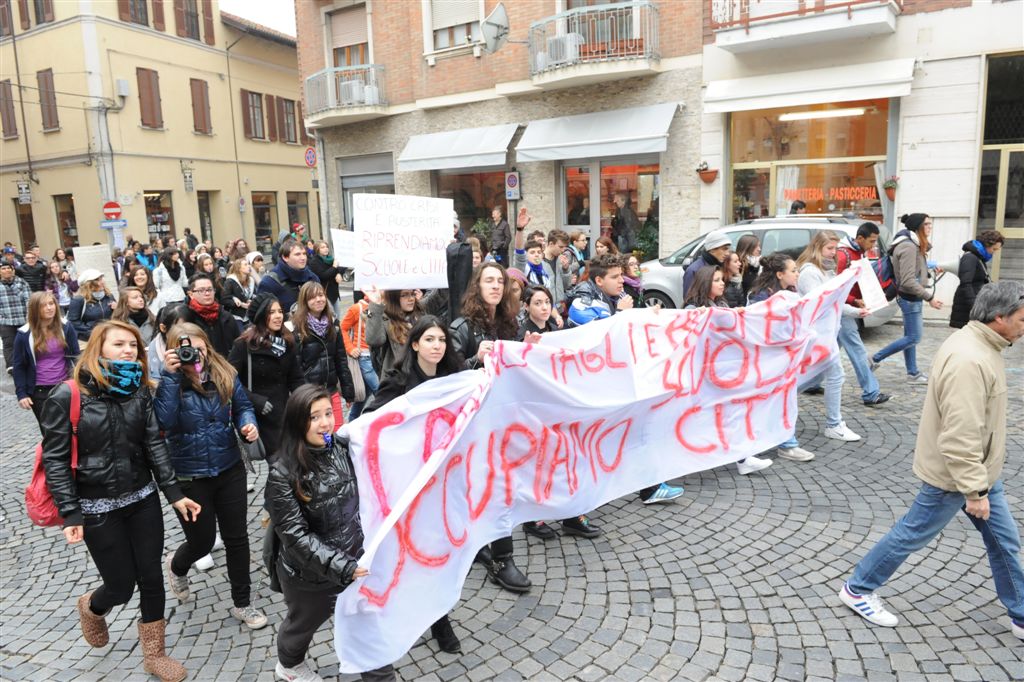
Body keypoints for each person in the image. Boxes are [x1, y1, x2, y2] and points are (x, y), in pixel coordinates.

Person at [839, 281, 1024, 639]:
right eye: (1021, 318)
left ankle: (1020, 613)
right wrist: (974, 491)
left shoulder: (982, 344)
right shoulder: (970, 359)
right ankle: (858, 589)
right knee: (911, 533)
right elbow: (960, 435)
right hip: (957, 477)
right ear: (999, 318)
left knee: (1005, 541)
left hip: (979, 472)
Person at [40, 320, 201, 682]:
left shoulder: (138, 390)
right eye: (120, 344)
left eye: (133, 345)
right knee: (120, 585)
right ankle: (92, 606)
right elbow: (55, 458)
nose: (129, 350)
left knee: (151, 576)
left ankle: (154, 655)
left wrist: (174, 494)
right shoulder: (67, 395)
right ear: (98, 348)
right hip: (96, 508)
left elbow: (153, 444)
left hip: (142, 499)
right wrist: (70, 512)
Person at [266, 385, 396, 682]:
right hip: (309, 577)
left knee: (369, 635)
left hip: (354, 564)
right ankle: (289, 664)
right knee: (302, 625)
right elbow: (296, 537)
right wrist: (342, 567)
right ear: (298, 422)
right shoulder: (282, 473)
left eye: (328, 413)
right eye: (315, 417)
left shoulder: (343, 447)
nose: (325, 423)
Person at [154, 322, 268, 631]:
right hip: (190, 475)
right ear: (174, 350)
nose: (195, 353)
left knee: (237, 538)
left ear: (207, 345)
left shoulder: (225, 373)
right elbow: (162, 422)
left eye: (199, 346)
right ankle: (176, 566)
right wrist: (169, 375)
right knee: (201, 543)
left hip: (229, 467)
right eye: (185, 347)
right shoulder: (169, 381)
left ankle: (242, 603)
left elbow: (243, 407)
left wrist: (247, 425)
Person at [362, 316, 465, 655]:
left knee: (436, 550)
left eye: (442, 340)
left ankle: (438, 617)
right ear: (416, 344)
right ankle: (400, 611)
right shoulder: (397, 379)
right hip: (406, 481)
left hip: (441, 480)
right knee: (406, 551)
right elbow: (375, 420)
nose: (438, 345)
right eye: (430, 339)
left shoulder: (454, 378)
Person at [566, 254, 686, 504]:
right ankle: (575, 501)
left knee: (636, 428)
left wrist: (647, 314)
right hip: (586, 384)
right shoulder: (582, 297)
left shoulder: (618, 296)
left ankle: (649, 487)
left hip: (609, 379)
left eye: (622, 275)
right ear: (599, 280)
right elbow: (588, 326)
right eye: (615, 277)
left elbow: (630, 321)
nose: (622, 281)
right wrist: (621, 315)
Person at [448, 258, 532, 592]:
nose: (496, 286)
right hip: (475, 424)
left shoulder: (512, 324)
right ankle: (501, 558)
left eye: (500, 281)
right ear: (477, 287)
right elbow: (447, 379)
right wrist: (473, 359)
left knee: (501, 488)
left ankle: (493, 550)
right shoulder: (461, 327)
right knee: (488, 488)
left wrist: (532, 351)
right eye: (489, 281)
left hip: (504, 420)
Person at [747, 253, 817, 463]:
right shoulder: (759, 296)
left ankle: (786, 442)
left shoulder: (790, 292)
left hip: (782, 358)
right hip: (764, 359)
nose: (797, 274)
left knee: (782, 398)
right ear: (780, 274)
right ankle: (776, 444)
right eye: (793, 270)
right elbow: (756, 326)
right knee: (766, 400)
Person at [796, 231, 864, 443]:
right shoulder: (810, 273)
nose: (834, 253)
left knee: (812, 378)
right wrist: (853, 311)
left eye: (835, 248)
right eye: (829, 248)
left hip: (823, 335)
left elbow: (832, 300)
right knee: (835, 375)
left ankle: (774, 396)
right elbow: (822, 303)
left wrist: (855, 310)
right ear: (817, 247)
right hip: (816, 336)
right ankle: (834, 424)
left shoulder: (825, 271)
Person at [228, 293, 304, 459]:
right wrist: (255, 401)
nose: (278, 316)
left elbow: (296, 378)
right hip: (262, 416)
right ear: (261, 316)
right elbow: (230, 381)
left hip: (285, 413)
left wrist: (306, 399)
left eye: (279, 311)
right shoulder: (243, 344)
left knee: (294, 461)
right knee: (279, 465)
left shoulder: (287, 342)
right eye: (271, 312)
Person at [871, 213, 944, 383]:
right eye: (927, 224)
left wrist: (930, 267)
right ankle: (874, 358)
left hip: (912, 297)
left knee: (910, 336)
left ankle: (913, 372)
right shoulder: (909, 247)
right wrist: (930, 298)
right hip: (910, 298)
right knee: (914, 337)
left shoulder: (914, 244)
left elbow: (915, 268)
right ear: (918, 226)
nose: (930, 227)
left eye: (930, 224)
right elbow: (908, 280)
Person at [835, 223, 891, 406]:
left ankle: (809, 382)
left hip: (847, 308)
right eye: (871, 241)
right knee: (857, 350)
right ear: (860, 238)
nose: (873, 245)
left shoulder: (857, 252)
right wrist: (853, 300)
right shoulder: (844, 255)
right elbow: (837, 286)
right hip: (844, 310)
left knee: (829, 351)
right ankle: (871, 392)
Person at [291, 281, 354, 431]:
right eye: (312, 297)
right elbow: (296, 367)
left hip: (331, 390)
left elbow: (341, 360)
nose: (318, 300)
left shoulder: (333, 324)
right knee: (319, 435)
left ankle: (334, 455)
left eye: (321, 295)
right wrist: (301, 394)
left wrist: (348, 391)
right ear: (305, 302)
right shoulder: (297, 328)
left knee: (336, 431)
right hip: (310, 394)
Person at [13, 291, 80, 424]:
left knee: (72, 428)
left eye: (51, 303)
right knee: (50, 433)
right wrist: (22, 394)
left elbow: (76, 356)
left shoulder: (66, 326)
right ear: (35, 309)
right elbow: (19, 366)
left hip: (65, 386)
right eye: (44, 305)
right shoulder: (24, 334)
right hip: (39, 391)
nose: (49, 308)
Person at [950, 229, 1004, 329]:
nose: (994, 253)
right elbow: (965, 283)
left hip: (971, 305)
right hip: (967, 307)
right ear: (986, 245)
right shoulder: (970, 257)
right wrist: (975, 307)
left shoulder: (978, 257)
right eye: (994, 249)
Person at [365, 288, 425, 376]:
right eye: (404, 295)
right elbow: (374, 340)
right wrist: (375, 304)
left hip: (422, 377)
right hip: (398, 381)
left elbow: (441, 295)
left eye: (412, 294)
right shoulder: (384, 318)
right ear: (393, 298)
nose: (411, 298)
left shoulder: (420, 313)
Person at [341, 295, 379, 420]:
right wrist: (350, 348)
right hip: (364, 357)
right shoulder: (357, 308)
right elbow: (342, 328)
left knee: (364, 396)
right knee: (380, 393)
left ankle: (351, 423)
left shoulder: (384, 306)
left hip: (377, 357)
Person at [257, 239, 320, 314]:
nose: (303, 258)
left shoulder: (312, 278)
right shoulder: (269, 282)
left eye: (304, 254)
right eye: (297, 254)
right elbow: (262, 315)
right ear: (285, 257)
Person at [186, 273, 240, 357]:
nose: (207, 293)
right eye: (201, 290)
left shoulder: (226, 317)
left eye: (210, 289)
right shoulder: (187, 319)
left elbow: (238, 346)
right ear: (191, 294)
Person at [0, 261, 31, 374]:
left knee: (26, 342)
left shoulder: (21, 283)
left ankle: (28, 363)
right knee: (8, 344)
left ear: (13, 270)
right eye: (3, 268)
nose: (7, 270)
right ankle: (12, 366)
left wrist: (29, 317)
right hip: (5, 321)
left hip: (22, 319)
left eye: (9, 268)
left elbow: (29, 300)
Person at [68, 270, 115, 342]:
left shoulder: (109, 296)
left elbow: (117, 317)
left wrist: (118, 309)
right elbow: (73, 322)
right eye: (98, 280)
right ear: (89, 284)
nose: (102, 282)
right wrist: (92, 333)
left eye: (101, 278)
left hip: (110, 337)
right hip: (90, 340)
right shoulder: (79, 300)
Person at [147, 304, 191, 381]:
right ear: (163, 328)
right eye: (179, 329)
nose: (185, 333)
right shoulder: (151, 357)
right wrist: (168, 373)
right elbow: (153, 389)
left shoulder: (199, 345)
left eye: (190, 327)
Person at [682, 230, 731, 298]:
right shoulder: (694, 270)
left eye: (728, 249)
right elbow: (689, 299)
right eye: (724, 249)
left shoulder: (721, 266)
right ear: (712, 249)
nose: (727, 253)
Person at [307, 240, 345, 319]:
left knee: (337, 318)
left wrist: (339, 274)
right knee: (329, 318)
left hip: (334, 294)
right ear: (317, 249)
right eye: (323, 247)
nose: (326, 249)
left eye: (327, 247)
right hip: (324, 294)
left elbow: (341, 267)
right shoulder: (314, 262)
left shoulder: (330, 259)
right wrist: (334, 267)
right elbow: (324, 275)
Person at [222, 257, 256, 327]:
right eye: (245, 265)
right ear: (239, 268)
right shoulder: (230, 281)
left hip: (249, 315)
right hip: (235, 315)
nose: (249, 266)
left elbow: (252, 295)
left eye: (248, 264)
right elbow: (224, 299)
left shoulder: (251, 280)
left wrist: (250, 301)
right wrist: (240, 304)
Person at [153, 247, 188, 312]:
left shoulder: (181, 268)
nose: (177, 255)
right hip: (166, 299)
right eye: (174, 254)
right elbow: (156, 286)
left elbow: (184, 283)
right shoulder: (159, 270)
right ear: (168, 256)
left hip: (181, 298)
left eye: (177, 253)